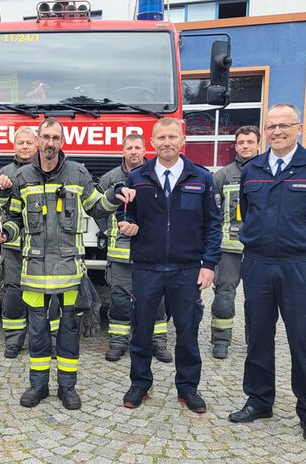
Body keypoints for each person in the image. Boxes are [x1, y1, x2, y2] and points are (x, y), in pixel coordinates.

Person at [0, 118, 126, 410]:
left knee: (68, 332)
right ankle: (37, 387)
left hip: (68, 271)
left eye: (56, 138)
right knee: (37, 333)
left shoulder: (78, 173)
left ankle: (67, 388)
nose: (50, 143)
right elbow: (14, 220)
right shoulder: (22, 177)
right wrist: (5, 234)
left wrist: (114, 199)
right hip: (35, 271)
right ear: (38, 141)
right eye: (46, 137)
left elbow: (96, 206)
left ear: (62, 142)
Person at [228, 104, 306, 445]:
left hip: (300, 267)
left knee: (303, 342)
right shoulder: (253, 169)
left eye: (284, 125)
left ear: (299, 127)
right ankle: (260, 401)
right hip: (259, 265)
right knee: (258, 338)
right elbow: (247, 212)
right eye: (271, 126)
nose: (277, 131)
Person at [119, 118, 221, 413]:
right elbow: (127, 214)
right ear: (152, 142)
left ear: (182, 140)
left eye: (172, 137)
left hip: (187, 268)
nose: (166, 142)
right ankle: (140, 382)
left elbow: (213, 225)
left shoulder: (201, 178)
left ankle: (188, 387)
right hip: (147, 267)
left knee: (188, 332)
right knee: (141, 331)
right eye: (161, 137)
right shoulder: (137, 177)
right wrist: (128, 224)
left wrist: (209, 264)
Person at [95, 133, 172, 363]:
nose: (134, 152)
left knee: (157, 298)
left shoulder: (158, 174)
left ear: (144, 149)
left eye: (138, 147)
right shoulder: (110, 179)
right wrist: (109, 231)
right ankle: (118, 343)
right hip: (120, 253)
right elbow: (97, 210)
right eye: (129, 148)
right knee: (119, 299)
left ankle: (158, 343)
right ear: (123, 150)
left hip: (152, 252)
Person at [209, 126, 261, 359]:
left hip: (260, 248)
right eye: (241, 142)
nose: (245, 146)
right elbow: (210, 214)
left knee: (258, 298)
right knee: (224, 294)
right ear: (236, 145)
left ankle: (256, 342)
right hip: (228, 247)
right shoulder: (221, 176)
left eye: (250, 142)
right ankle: (221, 341)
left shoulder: (269, 171)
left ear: (258, 144)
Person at [0, 126, 37, 359]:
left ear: (36, 145)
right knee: (13, 292)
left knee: (44, 294)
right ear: (14, 146)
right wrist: (1, 190)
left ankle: (42, 342)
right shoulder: (4, 173)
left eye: (28, 143)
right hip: (14, 244)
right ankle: (13, 341)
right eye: (20, 142)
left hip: (42, 246)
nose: (24, 147)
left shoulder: (45, 171)